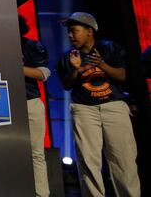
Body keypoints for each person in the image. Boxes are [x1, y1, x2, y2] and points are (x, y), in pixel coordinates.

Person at [56, 12, 141, 197]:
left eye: (74, 31)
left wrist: (102, 64)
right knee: (88, 161)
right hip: (84, 109)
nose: (70, 35)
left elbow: (122, 76)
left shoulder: (109, 48)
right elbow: (66, 85)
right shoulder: (68, 56)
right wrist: (76, 70)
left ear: (89, 31)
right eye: (69, 32)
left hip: (113, 106)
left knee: (123, 160)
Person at [18, 15, 51, 197]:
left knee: (36, 152)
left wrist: (16, 66)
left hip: (30, 101)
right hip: (2, 103)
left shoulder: (31, 46)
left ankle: (41, 194)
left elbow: (43, 74)